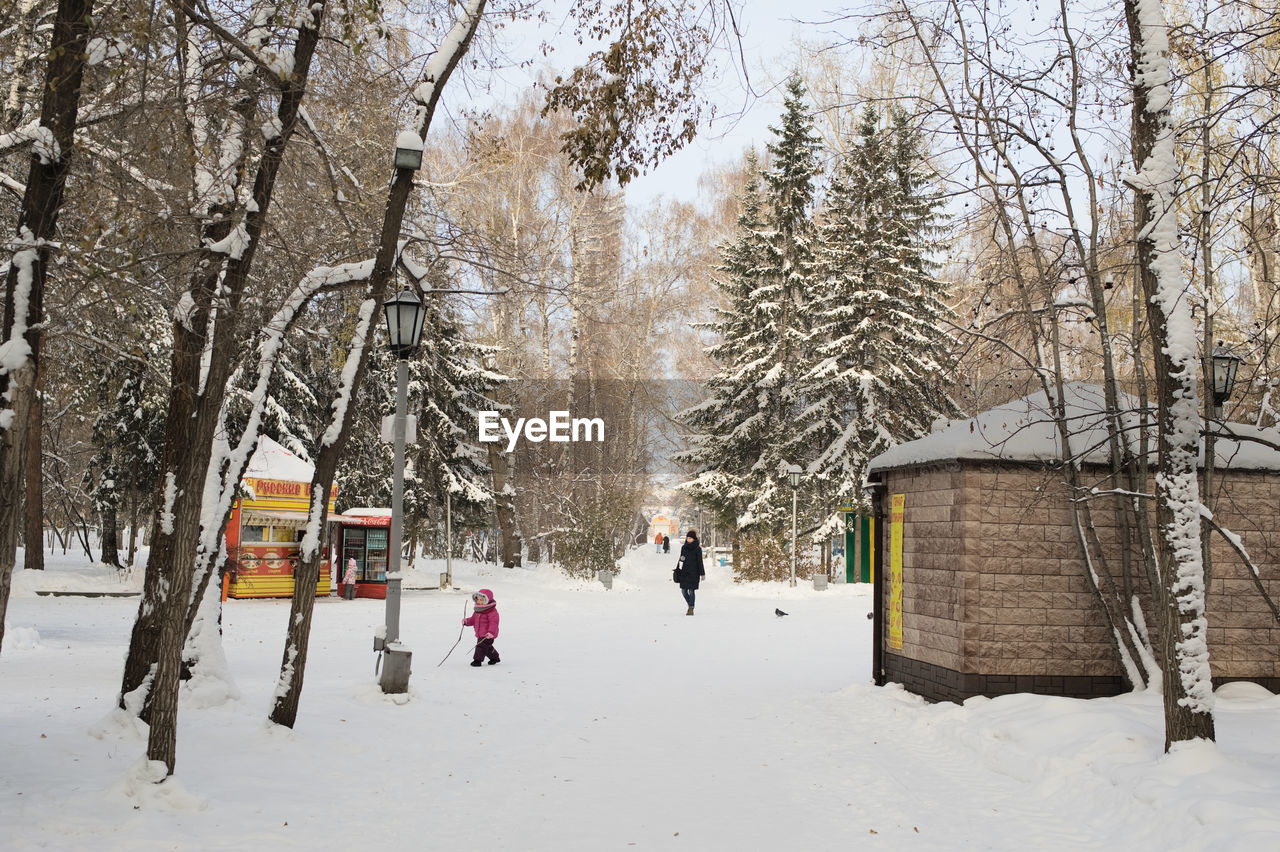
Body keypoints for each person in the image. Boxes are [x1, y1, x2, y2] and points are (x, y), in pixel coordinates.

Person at [463, 588, 501, 666]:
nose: (479, 601)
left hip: (488, 634)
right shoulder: (478, 611)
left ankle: (477, 660)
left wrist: (491, 632)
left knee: (480, 647)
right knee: (487, 648)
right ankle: (495, 657)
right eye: (478, 599)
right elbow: (473, 620)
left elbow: (494, 623)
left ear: (487, 600)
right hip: (480, 633)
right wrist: (467, 621)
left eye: (482, 600)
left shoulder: (492, 612)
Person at [675, 530, 705, 616]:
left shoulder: (698, 549)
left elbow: (700, 562)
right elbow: (681, 559)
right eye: (687, 538)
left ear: (694, 539)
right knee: (683, 591)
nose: (688, 539)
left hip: (694, 573)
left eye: (690, 538)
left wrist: (702, 573)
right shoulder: (684, 547)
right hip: (684, 572)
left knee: (691, 591)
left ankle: (691, 608)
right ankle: (690, 604)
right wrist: (678, 569)